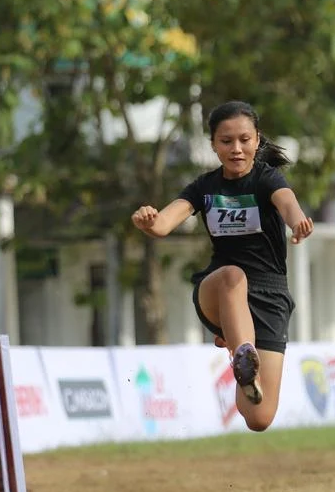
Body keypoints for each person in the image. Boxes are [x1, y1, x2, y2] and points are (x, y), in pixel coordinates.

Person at [130, 100, 313, 432]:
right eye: (226, 141)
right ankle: (242, 351)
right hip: (219, 292)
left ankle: (246, 380)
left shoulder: (267, 179)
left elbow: (287, 202)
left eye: (244, 140)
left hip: (269, 296)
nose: (236, 149)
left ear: (257, 140)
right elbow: (163, 225)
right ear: (213, 145)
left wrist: (298, 222)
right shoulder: (205, 187)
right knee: (233, 275)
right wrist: (148, 221)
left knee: (259, 418)